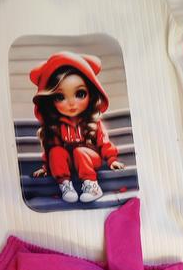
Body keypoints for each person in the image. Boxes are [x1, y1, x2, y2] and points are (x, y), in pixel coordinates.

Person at [29, 51, 125, 203]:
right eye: (60, 97)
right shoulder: (56, 126)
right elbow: (50, 150)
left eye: (80, 94)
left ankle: (92, 185)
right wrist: (46, 167)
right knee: (56, 151)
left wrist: (112, 159)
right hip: (68, 163)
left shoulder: (93, 122)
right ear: (51, 100)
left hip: (89, 159)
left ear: (90, 94)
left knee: (79, 151)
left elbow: (104, 142)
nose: (72, 103)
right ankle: (65, 185)